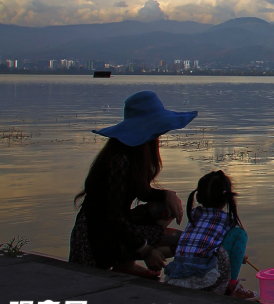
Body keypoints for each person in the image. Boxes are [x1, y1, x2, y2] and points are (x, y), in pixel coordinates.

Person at [70, 91, 197, 278]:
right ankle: (128, 260)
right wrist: (145, 250)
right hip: (97, 236)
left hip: (113, 226)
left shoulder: (132, 155)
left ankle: (127, 262)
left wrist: (166, 194)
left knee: (165, 207)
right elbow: (114, 217)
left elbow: (142, 192)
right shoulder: (118, 160)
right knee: (184, 242)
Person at [162, 170, 258, 300]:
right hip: (206, 282)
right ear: (227, 198)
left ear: (198, 197)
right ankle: (232, 287)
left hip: (176, 279)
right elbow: (229, 242)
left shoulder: (195, 214)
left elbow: (207, 242)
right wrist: (237, 254)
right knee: (240, 234)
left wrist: (239, 256)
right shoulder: (226, 219)